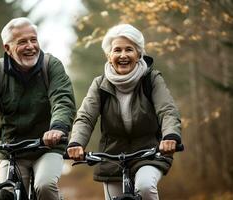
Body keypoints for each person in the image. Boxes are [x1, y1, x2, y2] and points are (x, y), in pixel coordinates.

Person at [0, 17, 76, 200]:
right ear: (7, 48)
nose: (30, 46)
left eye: (33, 40)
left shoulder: (51, 66)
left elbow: (62, 100)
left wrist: (57, 128)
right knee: (6, 192)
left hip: (47, 147)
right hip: (12, 149)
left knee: (45, 185)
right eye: (22, 42)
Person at [67, 24, 182, 200]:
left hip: (149, 152)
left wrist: (170, 137)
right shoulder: (100, 84)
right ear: (108, 55)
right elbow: (85, 117)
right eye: (117, 50)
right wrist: (76, 142)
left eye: (129, 49)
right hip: (112, 156)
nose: (123, 55)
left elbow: (167, 110)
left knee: (144, 187)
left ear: (139, 54)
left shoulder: (151, 79)